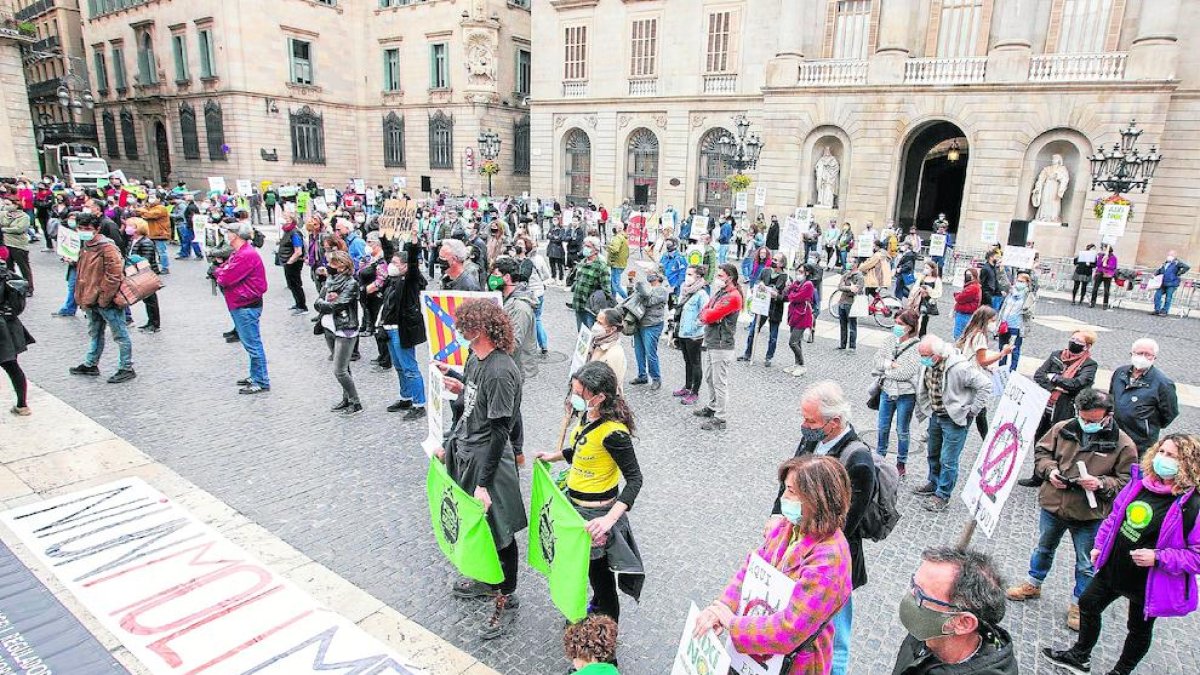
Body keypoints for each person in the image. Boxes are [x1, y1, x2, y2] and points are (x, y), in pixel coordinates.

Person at [1042, 433, 1200, 675]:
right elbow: (1115, 517)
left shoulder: (1193, 505)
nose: (1163, 459)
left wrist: (1158, 557)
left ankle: (1120, 671)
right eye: (1162, 452)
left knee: (1138, 629)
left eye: (1172, 456)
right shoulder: (1141, 482)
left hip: (1148, 580)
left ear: (1188, 463)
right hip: (1116, 565)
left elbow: (1196, 556)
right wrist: (1100, 545)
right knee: (1088, 603)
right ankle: (1080, 656)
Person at [693, 455, 852, 674]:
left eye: (791, 491)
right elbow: (752, 569)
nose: (783, 497)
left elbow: (790, 630)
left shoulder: (830, 560)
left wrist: (732, 623)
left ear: (815, 499)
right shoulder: (789, 525)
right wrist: (721, 607)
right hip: (757, 655)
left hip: (797, 665)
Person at [1005, 388, 1137, 632]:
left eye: (1093, 421)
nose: (1086, 424)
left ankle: (1080, 603)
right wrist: (1050, 471)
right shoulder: (1064, 427)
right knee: (1044, 547)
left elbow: (1127, 481)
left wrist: (1101, 484)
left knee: (1086, 562)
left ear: (1108, 416)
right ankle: (1034, 582)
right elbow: (1042, 452)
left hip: (1089, 514)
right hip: (1054, 504)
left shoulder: (1123, 444)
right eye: (1083, 418)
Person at [765, 383, 874, 675]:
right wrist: (778, 515)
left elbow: (843, 524)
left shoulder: (858, 461)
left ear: (834, 422)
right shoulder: (813, 439)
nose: (804, 426)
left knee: (835, 637)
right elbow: (789, 481)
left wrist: (800, 539)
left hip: (833, 565)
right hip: (797, 547)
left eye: (810, 420)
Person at [435, 299, 527, 640]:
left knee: (500, 529)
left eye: (465, 327)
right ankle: (489, 581)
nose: (460, 332)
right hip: (470, 451)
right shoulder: (476, 359)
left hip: (489, 460)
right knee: (480, 526)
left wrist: (484, 484)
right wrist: (459, 383)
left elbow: (502, 428)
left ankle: (507, 594)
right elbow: (473, 402)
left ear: (483, 329)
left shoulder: (502, 370)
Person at [538, 361, 645, 623]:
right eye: (573, 391)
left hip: (596, 517)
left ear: (599, 397)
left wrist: (608, 521)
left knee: (601, 579)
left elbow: (635, 479)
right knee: (585, 570)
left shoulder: (614, 433)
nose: (574, 397)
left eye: (580, 393)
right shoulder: (589, 415)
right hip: (576, 510)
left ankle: (607, 645)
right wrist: (553, 457)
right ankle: (595, 607)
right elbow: (580, 449)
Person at [891, 547, 1017, 674]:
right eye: (913, 584)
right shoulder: (927, 633)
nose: (910, 595)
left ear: (963, 623)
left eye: (920, 594)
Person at [913, 335, 992, 512]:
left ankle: (942, 495)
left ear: (938, 354)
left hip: (955, 420)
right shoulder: (928, 364)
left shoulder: (960, 368)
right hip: (936, 415)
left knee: (948, 460)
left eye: (925, 355)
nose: (922, 359)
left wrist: (972, 410)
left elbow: (986, 386)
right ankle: (933, 483)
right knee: (933, 453)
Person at [68, 215, 135, 384]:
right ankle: (91, 364)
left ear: (97, 229)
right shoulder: (86, 246)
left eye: (87, 229)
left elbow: (114, 275)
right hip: (91, 299)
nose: (83, 232)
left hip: (105, 300)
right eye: (81, 228)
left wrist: (104, 297)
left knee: (120, 334)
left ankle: (126, 367)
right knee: (95, 333)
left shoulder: (107, 247)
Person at [212, 222, 270, 395]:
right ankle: (256, 375)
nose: (226, 235)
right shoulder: (242, 253)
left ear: (235, 235)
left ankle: (261, 380)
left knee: (252, 344)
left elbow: (226, 277)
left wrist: (218, 272)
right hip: (242, 302)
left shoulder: (245, 255)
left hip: (245, 303)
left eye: (228, 232)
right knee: (250, 343)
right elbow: (226, 270)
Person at [379, 233, 427, 419]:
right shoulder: (393, 279)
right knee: (399, 367)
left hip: (402, 329)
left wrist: (414, 242)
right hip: (390, 328)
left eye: (397, 263)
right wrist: (383, 237)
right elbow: (388, 253)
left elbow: (414, 261)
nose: (392, 265)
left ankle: (419, 403)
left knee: (410, 368)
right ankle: (405, 396)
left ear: (406, 267)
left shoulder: (411, 280)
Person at [873, 310, 923, 477]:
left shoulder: (916, 347)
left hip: (906, 395)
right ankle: (879, 458)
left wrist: (886, 370)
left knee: (902, 430)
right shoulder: (889, 340)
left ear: (910, 327)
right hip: (887, 391)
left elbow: (907, 372)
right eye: (896, 323)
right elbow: (877, 361)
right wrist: (890, 365)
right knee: (882, 427)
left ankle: (901, 463)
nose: (897, 327)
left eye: (900, 324)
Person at [1110, 338, 1179, 457]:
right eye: (1139, 353)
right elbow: (1111, 396)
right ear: (1131, 353)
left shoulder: (1163, 383)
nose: (1143, 357)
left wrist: (1146, 425)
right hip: (1114, 434)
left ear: (1154, 358)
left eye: (1147, 354)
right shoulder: (1120, 372)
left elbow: (1169, 413)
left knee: (1133, 471)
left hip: (1140, 441)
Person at [694, 264, 742, 431]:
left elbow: (711, 314)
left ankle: (720, 417)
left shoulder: (733, 296)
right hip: (713, 341)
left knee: (719, 382)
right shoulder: (722, 293)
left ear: (730, 277)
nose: (718, 279)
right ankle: (713, 406)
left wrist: (707, 315)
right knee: (710, 377)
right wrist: (707, 315)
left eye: (721, 276)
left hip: (722, 345)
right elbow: (706, 309)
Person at [315, 251, 363, 415]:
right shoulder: (330, 280)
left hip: (345, 328)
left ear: (342, 266)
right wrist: (327, 301)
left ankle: (356, 402)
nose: (330, 267)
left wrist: (329, 301)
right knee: (344, 367)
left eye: (333, 264)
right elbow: (318, 302)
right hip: (329, 327)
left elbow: (339, 305)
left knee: (339, 370)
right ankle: (347, 398)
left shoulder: (351, 283)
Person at [0, 248, 34, 415]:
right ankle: (22, 405)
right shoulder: (5, 270)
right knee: (12, 365)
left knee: (11, 366)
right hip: (8, 324)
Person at [739, 252, 788, 367]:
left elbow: (786, 297)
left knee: (773, 336)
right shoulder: (765, 271)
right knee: (752, 331)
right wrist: (759, 283)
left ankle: (769, 357)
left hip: (775, 309)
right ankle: (748, 353)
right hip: (762, 307)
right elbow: (757, 282)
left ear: (781, 264)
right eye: (773, 259)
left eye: (776, 260)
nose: (773, 261)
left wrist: (777, 296)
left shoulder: (786, 278)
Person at [626, 268, 668, 390]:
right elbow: (632, 300)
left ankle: (656, 378)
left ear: (658, 276)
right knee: (639, 352)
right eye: (647, 274)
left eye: (651, 274)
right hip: (639, 323)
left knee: (651, 354)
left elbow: (648, 301)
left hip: (652, 325)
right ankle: (642, 375)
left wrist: (639, 291)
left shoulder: (661, 290)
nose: (648, 276)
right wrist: (632, 286)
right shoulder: (646, 287)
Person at [673, 265, 709, 406]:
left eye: (690, 274)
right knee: (687, 361)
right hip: (683, 332)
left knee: (695, 363)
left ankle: (695, 392)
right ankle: (687, 387)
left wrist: (695, 326)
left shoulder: (701, 294)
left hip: (694, 335)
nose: (687, 276)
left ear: (698, 277)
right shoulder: (686, 291)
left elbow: (705, 314)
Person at [123, 218, 162, 333]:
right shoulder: (132, 241)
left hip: (146, 274)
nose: (127, 228)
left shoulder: (146, 242)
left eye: (131, 226)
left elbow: (145, 260)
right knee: (147, 300)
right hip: (137, 274)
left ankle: (154, 324)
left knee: (151, 300)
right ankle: (150, 322)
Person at [514, 236, 552, 354]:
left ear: (526, 247)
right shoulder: (535, 259)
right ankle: (543, 344)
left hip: (532, 293)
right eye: (517, 243)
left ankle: (537, 345)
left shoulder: (530, 261)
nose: (518, 246)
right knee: (536, 319)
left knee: (534, 319)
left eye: (521, 244)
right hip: (536, 291)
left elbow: (546, 275)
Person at [996, 272, 1035, 373]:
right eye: (1018, 280)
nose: (1019, 283)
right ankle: (1001, 369)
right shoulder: (1011, 292)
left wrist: (1026, 310)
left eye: (1021, 281)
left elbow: (1030, 312)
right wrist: (1000, 269)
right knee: (1002, 347)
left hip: (1016, 326)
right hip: (1004, 325)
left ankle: (1012, 370)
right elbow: (1003, 281)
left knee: (1014, 349)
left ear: (1027, 283)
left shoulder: (1029, 296)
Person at [784, 265, 816, 377]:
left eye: (801, 271)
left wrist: (791, 293)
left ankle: (802, 365)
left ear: (807, 273)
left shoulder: (808, 285)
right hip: (794, 315)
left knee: (792, 342)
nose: (798, 273)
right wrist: (789, 288)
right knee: (797, 341)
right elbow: (788, 293)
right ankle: (797, 364)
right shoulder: (798, 283)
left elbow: (796, 297)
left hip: (802, 316)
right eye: (798, 271)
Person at [572, 237, 609, 330]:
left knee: (591, 333)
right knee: (581, 333)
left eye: (588, 246)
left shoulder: (601, 266)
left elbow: (607, 290)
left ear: (596, 250)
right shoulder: (583, 262)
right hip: (578, 303)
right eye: (584, 245)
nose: (585, 248)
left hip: (590, 308)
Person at [588, 308, 627, 389]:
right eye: (596, 321)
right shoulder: (596, 341)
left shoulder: (615, 353)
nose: (595, 325)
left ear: (612, 329)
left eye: (600, 323)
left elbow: (611, 386)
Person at [1, 201, 33, 296]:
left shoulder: (24, 217)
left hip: (19, 245)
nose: (6, 206)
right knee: (8, 268)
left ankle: (29, 288)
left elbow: (19, 229)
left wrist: (3, 229)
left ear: (16, 205)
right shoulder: (3, 215)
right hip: (6, 244)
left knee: (24, 268)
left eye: (8, 204)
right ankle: (11, 288)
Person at [136, 195, 171, 276]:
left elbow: (150, 215)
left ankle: (165, 268)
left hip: (160, 234)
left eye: (154, 197)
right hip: (151, 234)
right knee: (151, 252)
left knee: (161, 252)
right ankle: (152, 267)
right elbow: (138, 211)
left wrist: (143, 211)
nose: (151, 200)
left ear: (158, 198)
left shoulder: (161, 208)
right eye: (150, 197)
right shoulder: (149, 207)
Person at [1151, 250, 1190, 316]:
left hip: (1172, 283)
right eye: (1169, 255)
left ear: (1174, 256)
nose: (1169, 256)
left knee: (1168, 297)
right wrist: (1154, 274)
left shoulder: (1177, 263)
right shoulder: (1165, 263)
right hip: (1163, 283)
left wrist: (1179, 273)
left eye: (1171, 255)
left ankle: (1165, 311)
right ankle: (1157, 309)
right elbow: (1160, 270)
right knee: (1157, 295)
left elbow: (1187, 267)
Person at [835, 267, 863, 352]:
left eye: (851, 261)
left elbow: (857, 290)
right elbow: (840, 287)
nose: (849, 263)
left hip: (851, 303)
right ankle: (842, 344)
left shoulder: (859, 277)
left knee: (852, 326)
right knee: (843, 325)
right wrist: (849, 288)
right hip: (842, 302)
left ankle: (852, 346)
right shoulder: (846, 274)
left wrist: (847, 287)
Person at [951, 268, 981, 340]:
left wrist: (956, 295)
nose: (967, 276)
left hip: (965, 313)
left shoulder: (973, 287)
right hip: (964, 312)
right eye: (966, 274)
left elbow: (960, 298)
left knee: (959, 334)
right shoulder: (971, 286)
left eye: (969, 275)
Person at [1088, 244, 1117, 309]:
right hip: (1099, 273)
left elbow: (1113, 267)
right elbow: (1098, 265)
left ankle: (1105, 304)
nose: (1102, 249)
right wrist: (1102, 260)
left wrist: (1106, 265)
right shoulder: (1101, 256)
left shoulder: (1113, 257)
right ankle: (1092, 302)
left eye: (1104, 248)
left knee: (1106, 290)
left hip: (1107, 275)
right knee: (1095, 289)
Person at [606, 222, 629, 300]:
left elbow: (615, 249)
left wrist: (607, 247)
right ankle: (613, 300)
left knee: (616, 285)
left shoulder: (618, 237)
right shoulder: (623, 237)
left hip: (616, 263)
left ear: (618, 229)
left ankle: (627, 300)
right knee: (613, 284)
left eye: (614, 226)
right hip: (620, 263)